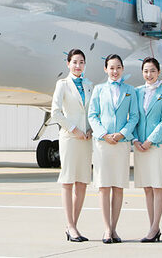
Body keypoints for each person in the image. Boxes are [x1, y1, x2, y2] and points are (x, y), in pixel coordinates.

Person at [88, 54, 139, 244]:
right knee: (104, 186)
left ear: (123, 69)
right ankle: (106, 229)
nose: (115, 71)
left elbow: (134, 116)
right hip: (103, 143)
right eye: (111, 67)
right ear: (105, 69)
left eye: (118, 67)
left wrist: (122, 134)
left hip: (121, 143)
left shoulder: (130, 90)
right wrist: (103, 134)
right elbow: (92, 115)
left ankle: (114, 228)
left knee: (118, 186)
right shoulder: (99, 90)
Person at [50, 48, 93, 242]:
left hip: (86, 139)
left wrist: (91, 128)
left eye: (81, 62)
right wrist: (74, 129)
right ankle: (71, 226)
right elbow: (56, 113)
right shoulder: (63, 84)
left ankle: (72, 225)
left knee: (82, 182)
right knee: (68, 181)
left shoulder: (90, 85)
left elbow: (92, 112)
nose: (78, 65)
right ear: (68, 64)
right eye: (75, 62)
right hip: (70, 137)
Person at [132, 57, 162, 243]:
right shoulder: (136, 92)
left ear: (159, 72)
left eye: (152, 71)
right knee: (147, 188)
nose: (149, 75)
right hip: (140, 145)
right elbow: (132, 117)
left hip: (156, 145)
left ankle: (155, 227)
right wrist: (134, 139)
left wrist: (150, 140)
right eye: (146, 71)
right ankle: (152, 228)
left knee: (157, 186)